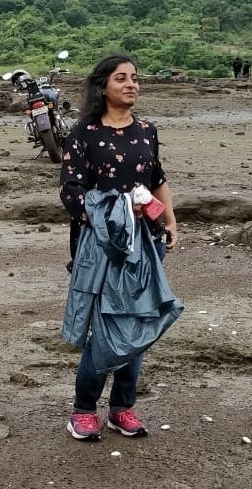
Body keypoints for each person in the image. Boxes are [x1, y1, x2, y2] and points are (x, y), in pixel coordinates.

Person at [60, 54, 178, 442]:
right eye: (122, 78)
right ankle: (83, 409)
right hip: (101, 249)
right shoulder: (84, 133)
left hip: (144, 246)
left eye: (135, 78)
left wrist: (169, 220)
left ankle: (122, 408)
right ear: (103, 87)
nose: (131, 84)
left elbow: (157, 178)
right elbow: (71, 192)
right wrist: (115, 214)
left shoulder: (147, 131)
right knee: (104, 330)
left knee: (139, 323)